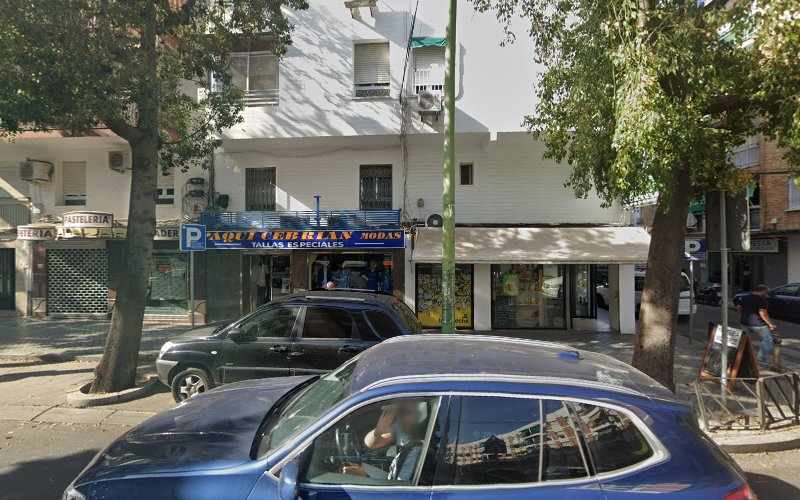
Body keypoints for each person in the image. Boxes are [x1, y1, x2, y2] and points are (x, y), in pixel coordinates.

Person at [342, 400, 428, 482]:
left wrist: (364, 478)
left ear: (419, 416)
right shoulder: (404, 430)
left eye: (403, 412)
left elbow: (399, 493)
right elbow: (371, 444)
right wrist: (378, 432)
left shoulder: (416, 452)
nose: (397, 417)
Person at [734, 284, 779, 364]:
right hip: (758, 324)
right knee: (768, 340)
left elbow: (738, 308)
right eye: (766, 292)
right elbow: (763, 313)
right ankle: (761, 360)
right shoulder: (761, 299)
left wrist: (743, 315)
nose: (766, 294)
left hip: (744, 323)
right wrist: (770, 324)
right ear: (763, 291)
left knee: (744, 341)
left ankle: (741, 358)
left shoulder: (744, 297)